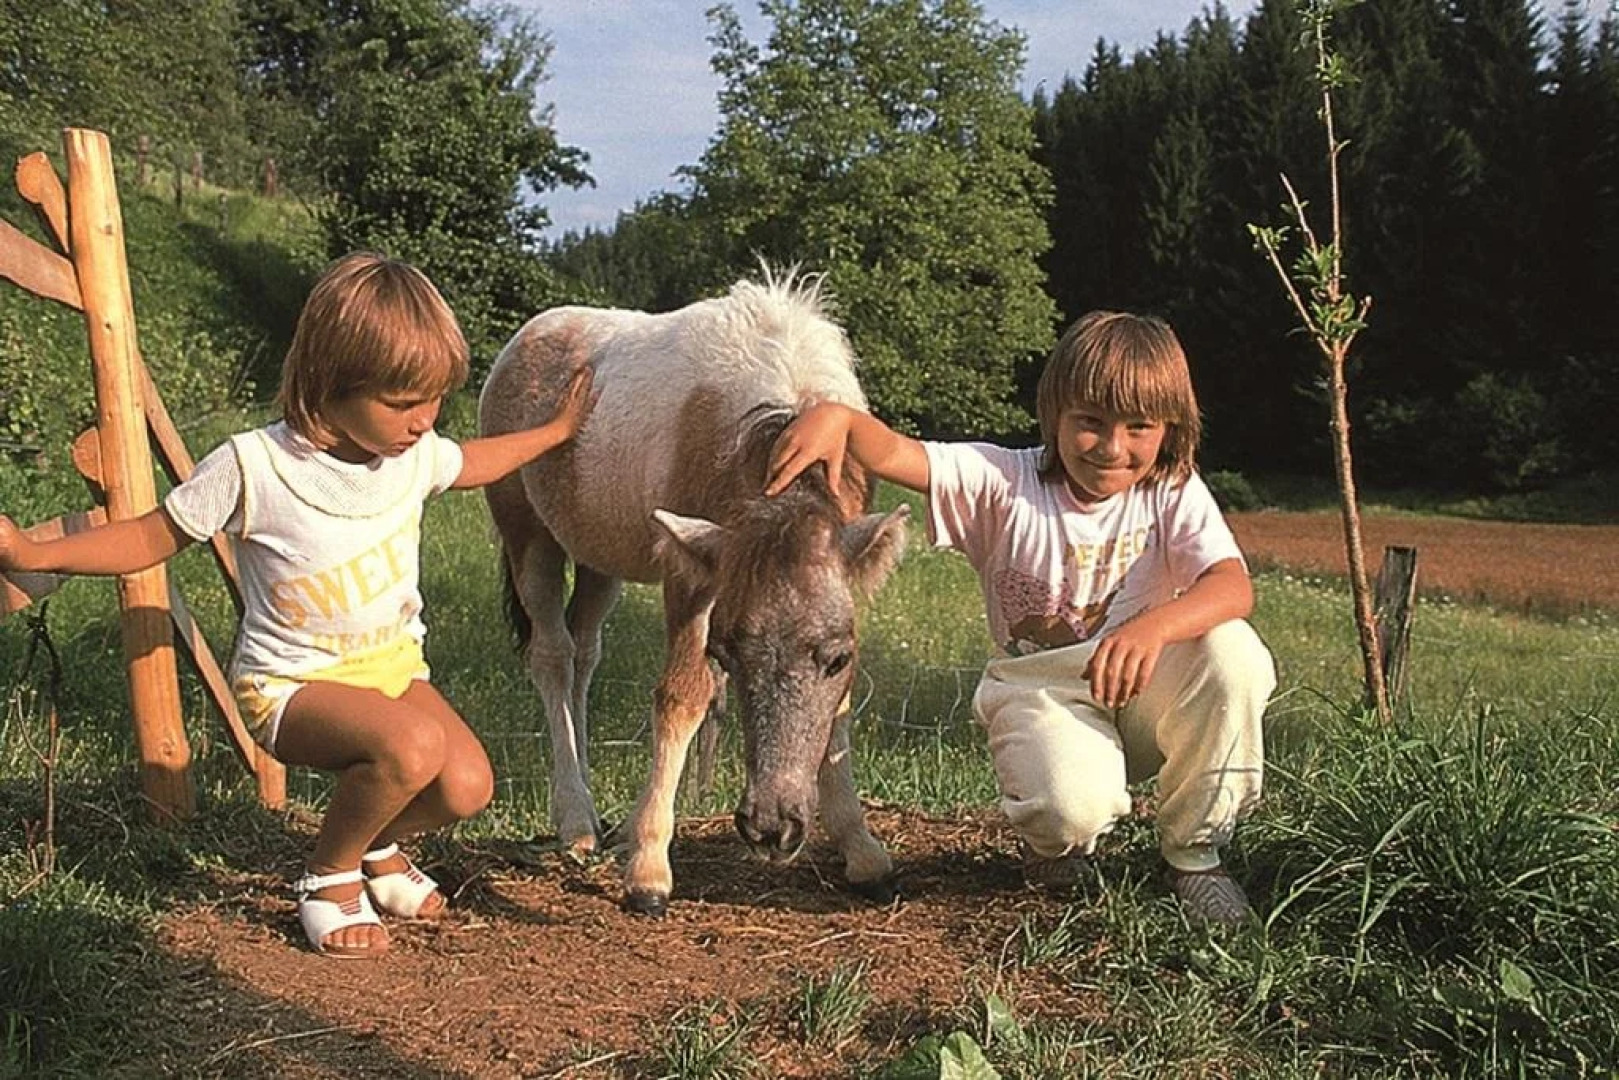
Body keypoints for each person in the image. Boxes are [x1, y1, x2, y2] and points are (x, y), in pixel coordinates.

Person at [0, 252, 595, 957]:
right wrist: (33, 556)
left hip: (394, 672)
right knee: (412, 746)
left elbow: (477, 460)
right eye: (402, 403)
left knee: (466, 785)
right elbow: (148, 538)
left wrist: (554, 432)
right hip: (289, 686)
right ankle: (327, 876)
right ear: (329, 384)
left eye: (434, 399)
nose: (422, 420)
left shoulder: (413, 457)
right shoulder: (254, 466)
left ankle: (376, 849)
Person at [765, 311, 1276, 926]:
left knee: (1234, 652)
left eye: (1139, 426)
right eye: (1090, 421)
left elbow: (1232, 585)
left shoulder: (1170, 490)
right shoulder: (1005, 482)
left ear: (1169, 427)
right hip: (1044, 692)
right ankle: (1051, 845)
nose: (1113, 447)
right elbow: (901, 455)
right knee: (1069, 810)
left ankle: (1195, 856)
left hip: (1143, 688)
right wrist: (840, 420)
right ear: (1055, 410)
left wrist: (1156, 625)